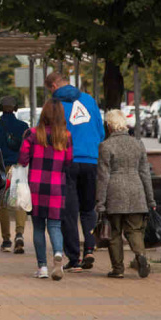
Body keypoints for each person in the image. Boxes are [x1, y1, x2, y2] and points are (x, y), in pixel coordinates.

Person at [46, 72, 104, 272]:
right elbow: (101, 131)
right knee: (88, 208)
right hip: (91, 159)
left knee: (68, 212)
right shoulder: (89, 100)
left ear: (53, 85)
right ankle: (89, 247)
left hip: (66, 161)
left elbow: (48, 134)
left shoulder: (54, 104)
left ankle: (75, 258)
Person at [94, 109, 155, 279]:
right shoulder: (138, 144)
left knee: (114, 233)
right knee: (134, 230)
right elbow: (145, 173)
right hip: (136, 191)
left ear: (109, 126)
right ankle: (141, 255)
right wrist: (150, 199)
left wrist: (100, 202)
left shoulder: (106, 146)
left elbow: (103, 176)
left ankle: (118, 269)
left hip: (114, 193)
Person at [19, 99, 72, 280]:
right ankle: (58, 253)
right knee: (55, 225)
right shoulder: (66, 136)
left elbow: (23, 159)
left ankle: (42, 267)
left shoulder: (32, 134)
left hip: (36, 185)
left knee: (38, 227)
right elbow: (68, 161)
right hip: (57, 185)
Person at [0, 96, 30, 254]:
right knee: (20, 201)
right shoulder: (24, 127)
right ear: (15, 108)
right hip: (19, 167)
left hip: (1, 168)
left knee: (3, 205)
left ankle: (6, 240)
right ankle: (19, 234)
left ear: (0, 108)